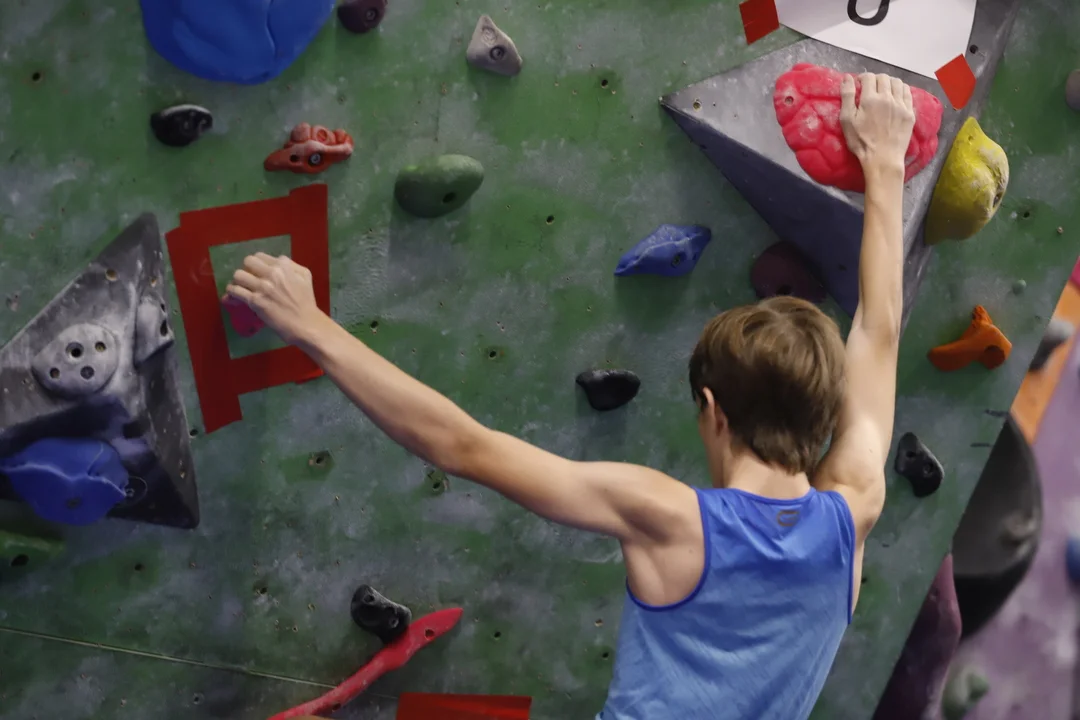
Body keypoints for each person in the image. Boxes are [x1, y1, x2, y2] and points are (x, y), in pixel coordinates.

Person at [226, 72, 916, 720]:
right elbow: (879, 333)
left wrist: (310, 325)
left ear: (712, 411)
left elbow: (459, 445)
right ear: (825, 415)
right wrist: (886, 166)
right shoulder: (853, 511)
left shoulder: (668, 518)